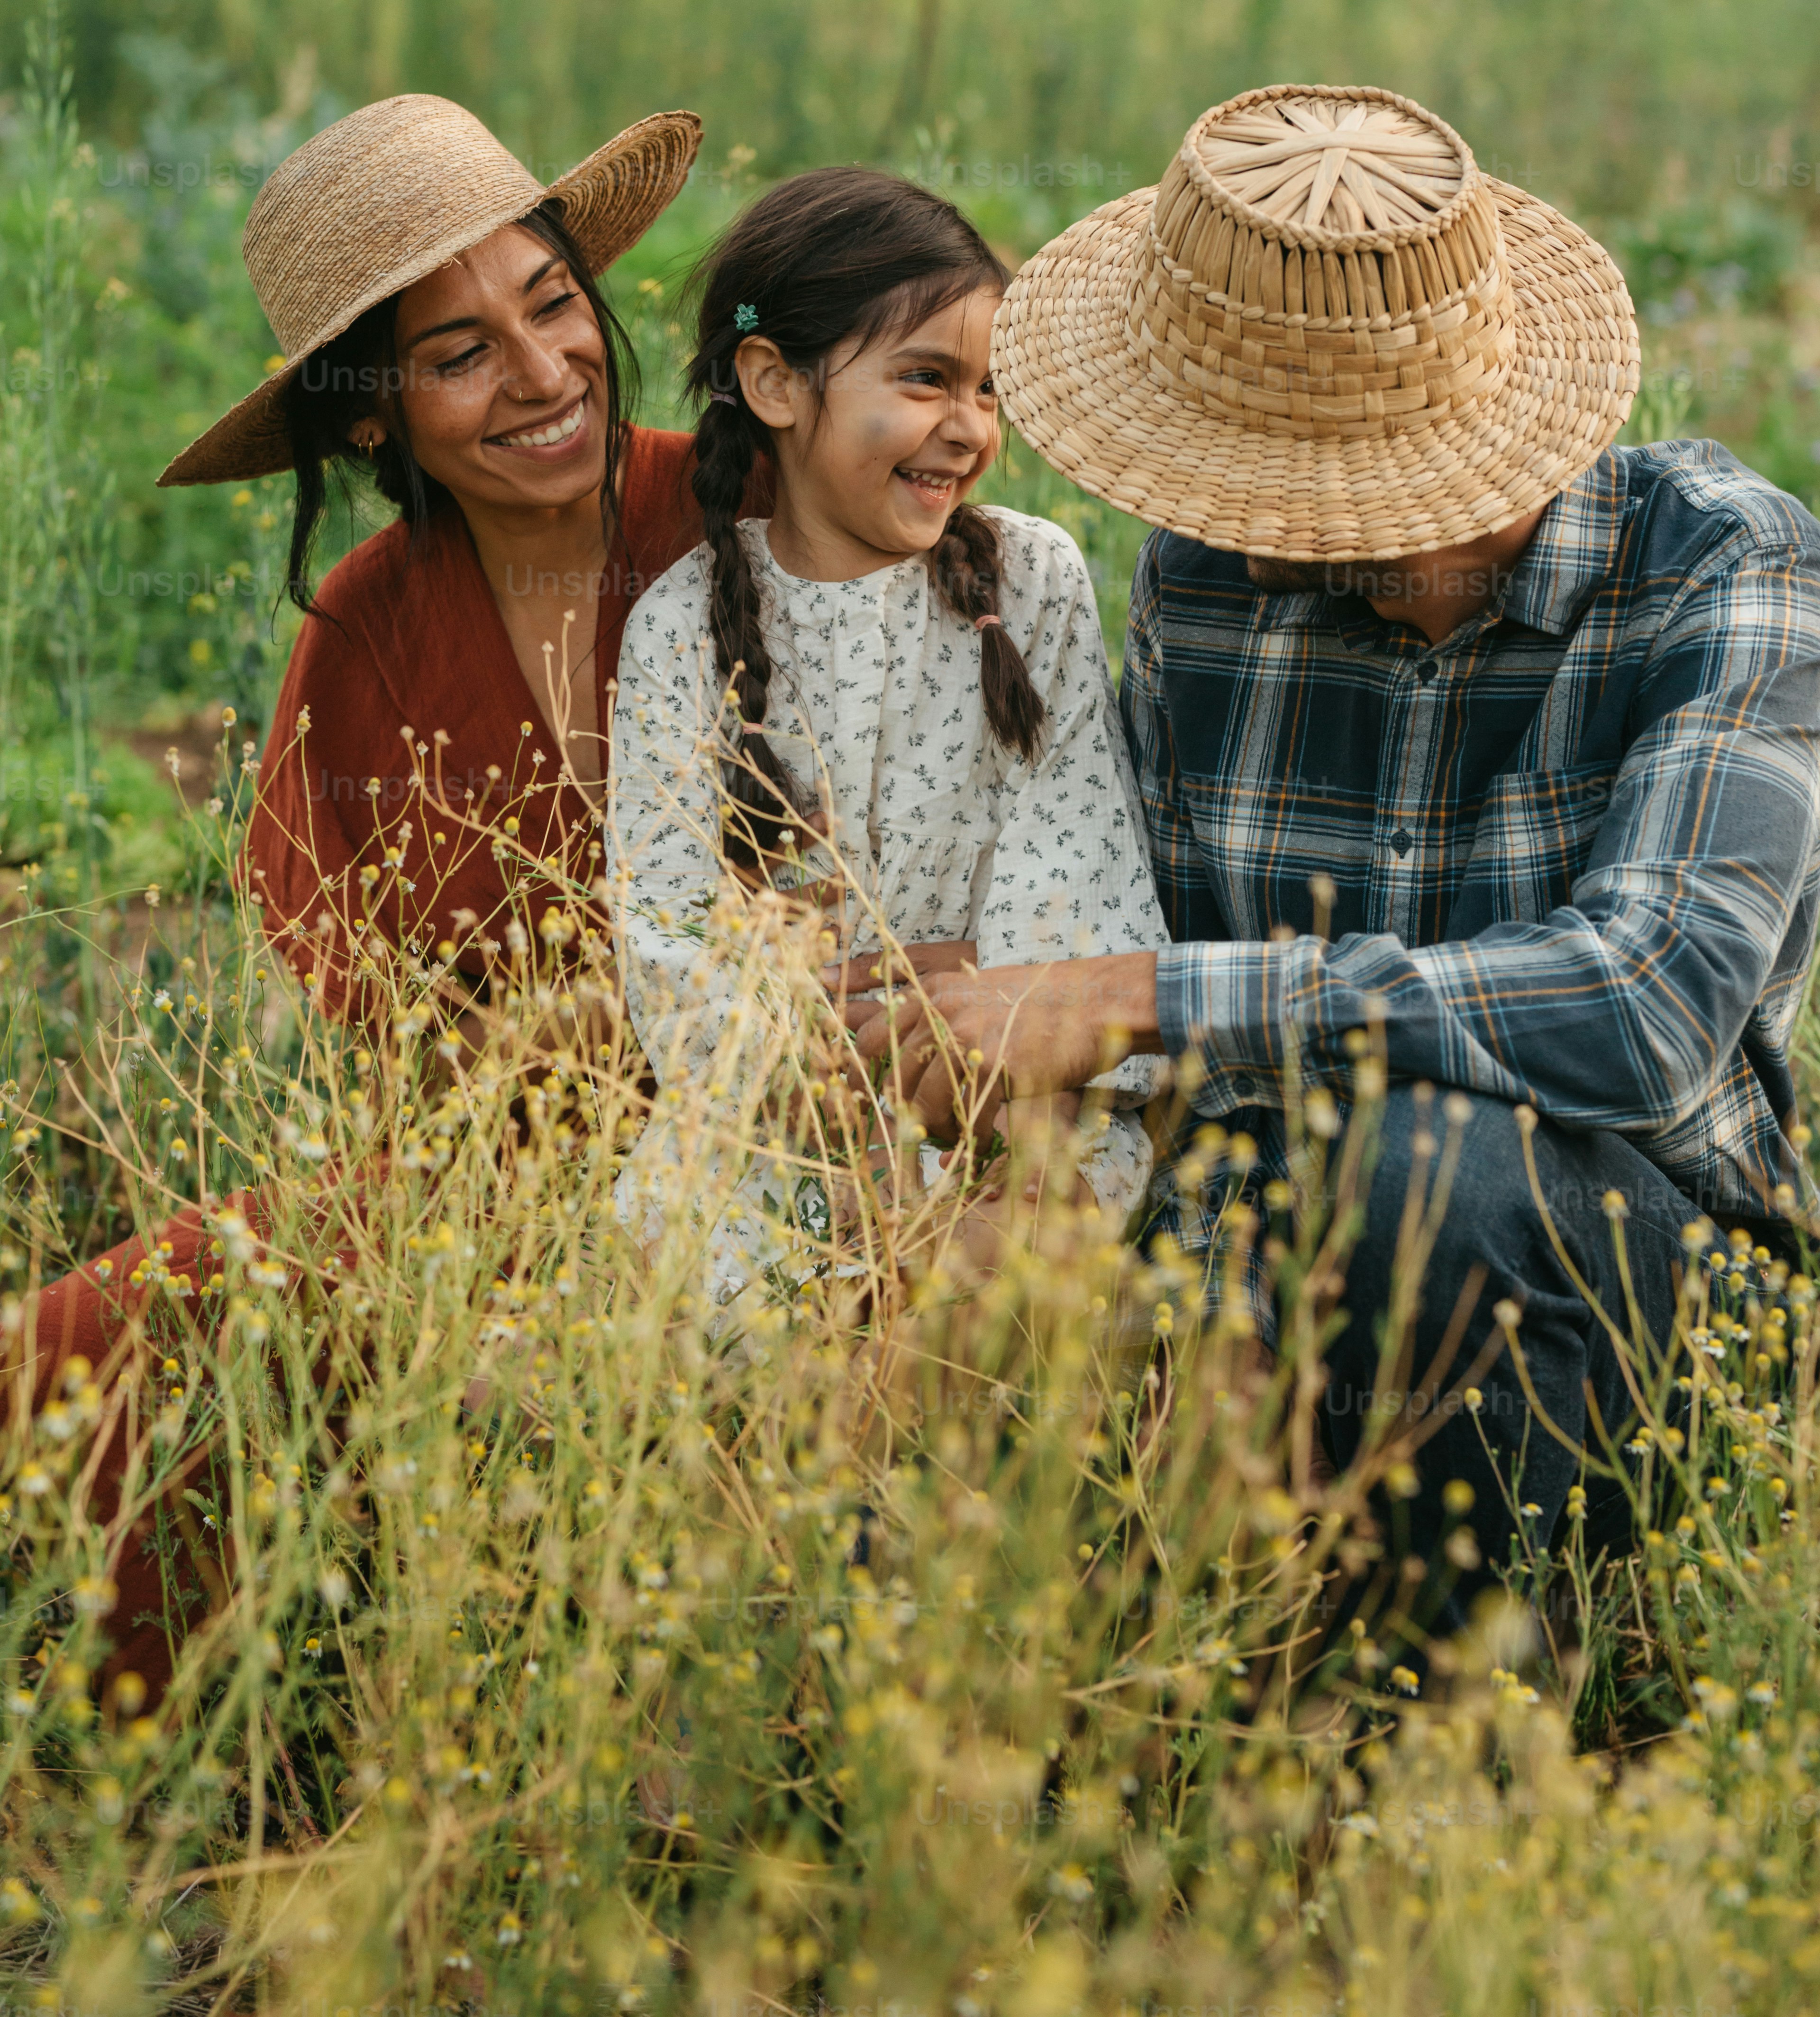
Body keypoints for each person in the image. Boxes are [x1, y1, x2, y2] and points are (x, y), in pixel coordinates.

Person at [846, 83, 1820, 1644]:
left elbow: (1647, 1005)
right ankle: (1231, 1629)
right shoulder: (1213, 581)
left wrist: (1140, 992)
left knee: (1427, 1160)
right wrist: (1192, 1295)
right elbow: (1198, 1054)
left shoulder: (1724, 569)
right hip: (1299, 1269)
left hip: (1653, 1293)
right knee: (969, 1245)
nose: (1218, 517)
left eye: (1250, 474)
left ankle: (1462, 1697)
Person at [16, 90, 765, 1705]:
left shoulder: (736, 517)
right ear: (370, 418)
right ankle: (151, 1747)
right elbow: (396, 1029)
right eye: (457, 353)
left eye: (550, 302)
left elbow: (892, 866)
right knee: (75, 1347)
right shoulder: (366, 628)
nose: (542, 371)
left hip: (790, 1130)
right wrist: (530, 1100)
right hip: (494, 1173)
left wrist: (656, 1014)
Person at [609, 167, 1170, 1328]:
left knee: (1014, 1300)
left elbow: (1076, 861)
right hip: (776, 1129)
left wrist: (999, 1035)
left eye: (988, 390)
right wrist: (867, 1036)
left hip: (1022, 1109)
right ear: (774, 380)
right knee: (718, 1322)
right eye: (925, 380)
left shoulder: (1031, 578)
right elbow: (667, 943)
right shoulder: (677, 624)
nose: (968, 428)